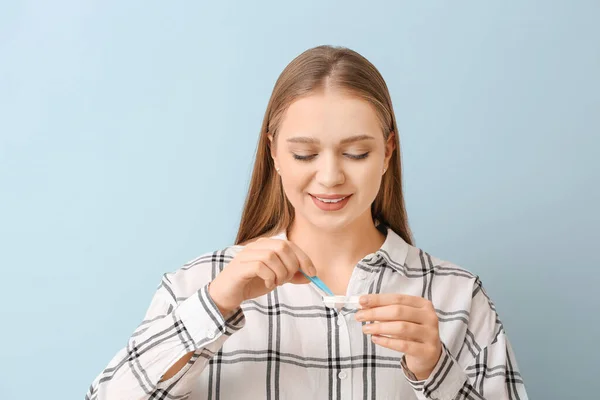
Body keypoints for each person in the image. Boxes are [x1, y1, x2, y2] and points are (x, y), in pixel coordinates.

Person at [86, 45, 528, 400]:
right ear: (274, 152)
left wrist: (437, 373)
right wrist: (215, 306)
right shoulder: (196, 286)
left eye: (357, 153)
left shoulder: (458, 297)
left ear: (388, 152)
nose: (331, 176)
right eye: (305, 154)